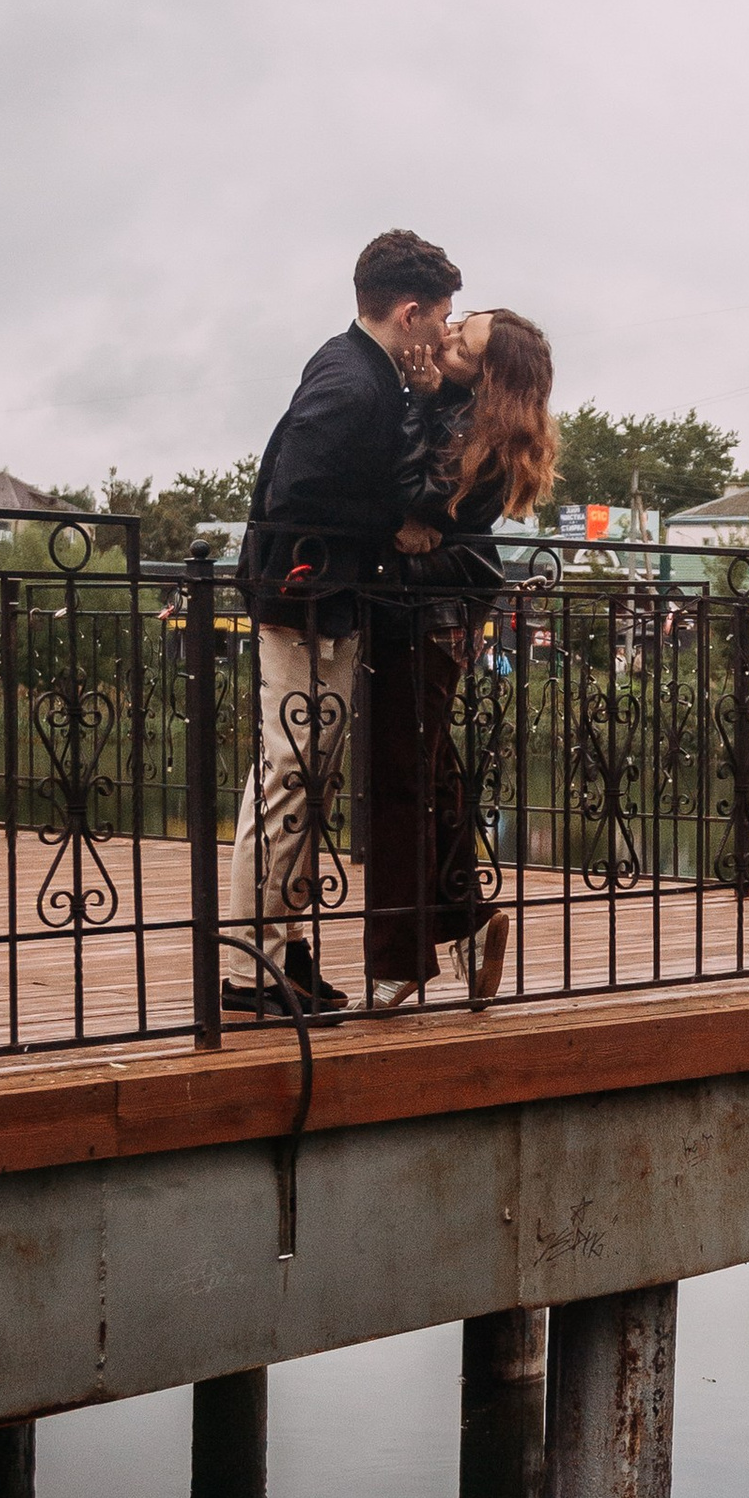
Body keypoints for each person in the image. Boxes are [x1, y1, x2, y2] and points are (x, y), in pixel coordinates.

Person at [227, 226, 460, 1022]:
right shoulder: (352, 380)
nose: (446, 329)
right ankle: (248, 967)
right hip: (302, 604)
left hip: (316, 601)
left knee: (304, 775)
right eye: (442, 314)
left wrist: (422, 404)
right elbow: (293, 492)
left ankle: (278, 951)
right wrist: (391, 524)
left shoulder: (362, 370)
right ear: (409, 310)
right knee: (290, 773)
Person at [364, 307, 557, 1016]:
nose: (446, 337)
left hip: (426, 623)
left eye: (463, 340)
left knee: (397, 784)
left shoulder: (480, 435)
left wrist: (413, 399)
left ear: (490, 377)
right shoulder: (455, 411)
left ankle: (398, 959)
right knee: (429, 771)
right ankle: (468, 919)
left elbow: (414, 497)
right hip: (431, 619)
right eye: (457, 324)